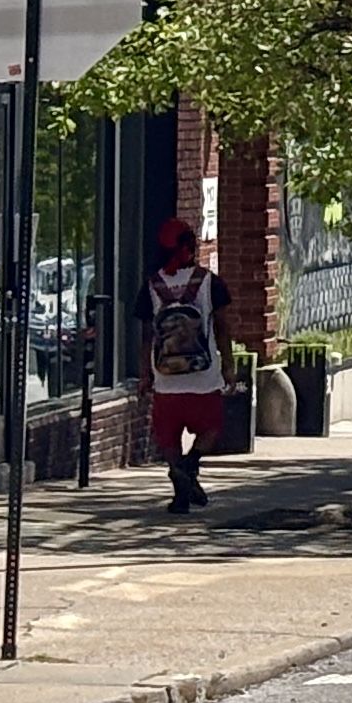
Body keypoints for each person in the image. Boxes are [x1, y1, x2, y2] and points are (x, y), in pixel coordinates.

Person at [133, 218, 231, 514]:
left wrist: (145, 373)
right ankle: (191, 465)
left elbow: (148, 336)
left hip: (166, 377)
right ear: (190, 247)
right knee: (210, 430)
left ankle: (180, 492)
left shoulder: (151, 287)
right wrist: (229, 365)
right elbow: (224, 327)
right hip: (204, 374)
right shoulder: (209, 283)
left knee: (168, 436)